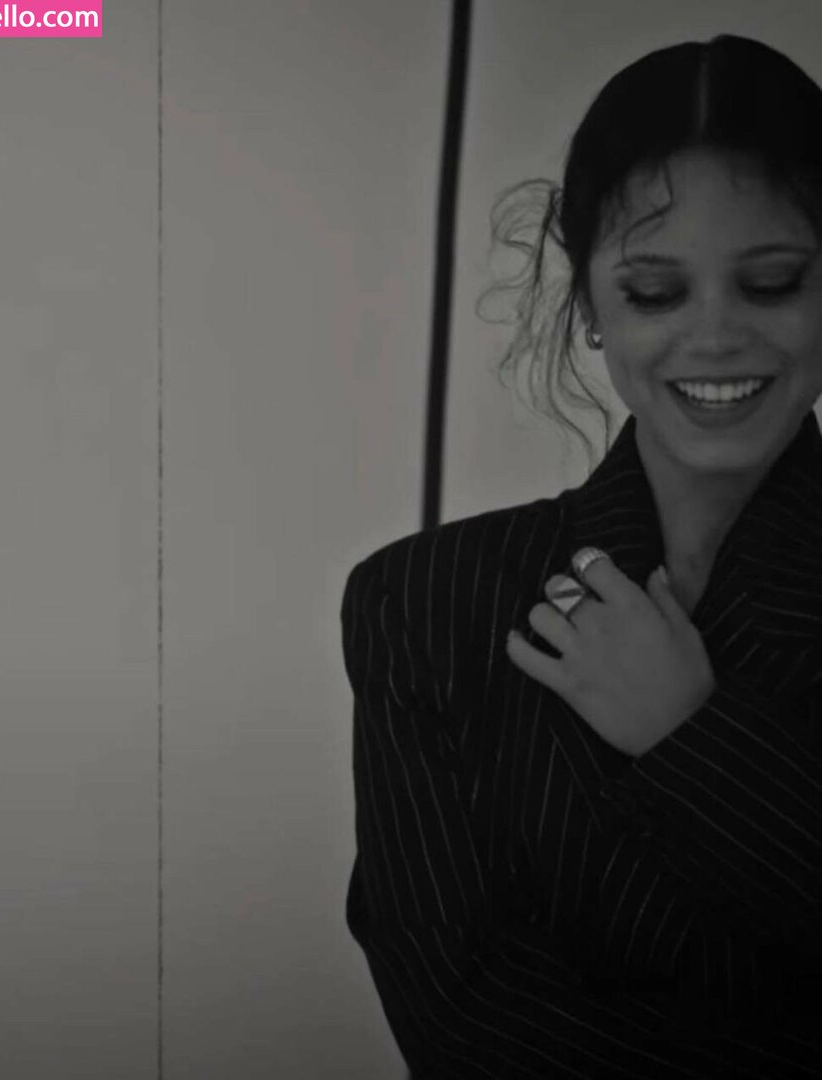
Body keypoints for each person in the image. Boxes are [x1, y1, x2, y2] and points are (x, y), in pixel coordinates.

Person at [340, 34, 822, 1079]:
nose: (716, 336)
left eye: (772, 283)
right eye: (655, 292)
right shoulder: (422, 605)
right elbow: (459, 1023)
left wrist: (693, 736)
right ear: (591, 302)